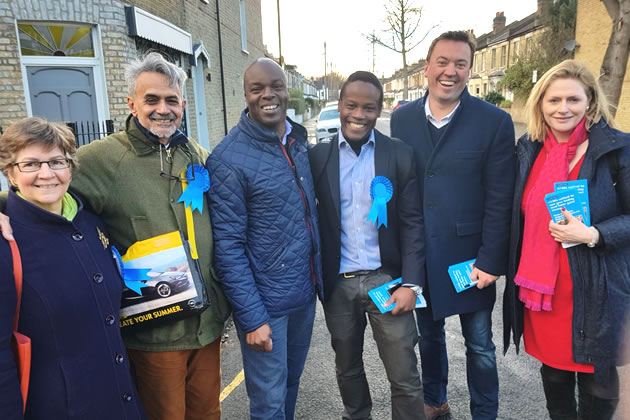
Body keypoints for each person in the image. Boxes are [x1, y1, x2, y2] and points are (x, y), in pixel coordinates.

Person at [0, 52, 231, 420]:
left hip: (207, 325)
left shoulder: (197, 155)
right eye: (151, 99)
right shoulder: (102, 158)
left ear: (183, 105)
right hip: (156, 333)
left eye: (171, 100)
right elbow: (43, 184)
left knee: (207, 413)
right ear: (132, 103)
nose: (162, 109)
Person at [390, 30, 516, 420]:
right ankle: (435, 400)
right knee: (428, 336)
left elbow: (500, 199)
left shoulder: (494, 121)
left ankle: (485, 412)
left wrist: (491, 261)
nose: (451, 71)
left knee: (479, 344)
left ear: (470, 70)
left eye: (461, 64)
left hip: (471, 260)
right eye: (442, 62)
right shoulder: (402, 119)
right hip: (423, 256)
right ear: (426, 69)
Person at [503, 59, 629, 419]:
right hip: (544, 292)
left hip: (596, 287)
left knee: (597, 378)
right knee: (555, 375)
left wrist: (594, 234)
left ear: (590, 101)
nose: (563, 108)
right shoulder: (529, 151)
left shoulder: (617, 150)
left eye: (573, 100)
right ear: (540, 104)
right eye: (554, 100)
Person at [0, 117, 145, 419]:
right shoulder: (6, 242)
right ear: (10, 174)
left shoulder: (91, 223)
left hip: (121, 400)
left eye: (57, 161)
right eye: (30, 164)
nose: (46, 174)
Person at [206, 57, 323, 420]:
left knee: (290, 384)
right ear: (246, 95)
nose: (268, 95)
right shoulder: (227, 160)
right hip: (266, 305)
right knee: (268, 400)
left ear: (288, 91)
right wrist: (253, 318)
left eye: (276, 86)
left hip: (303, 295)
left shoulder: (297, 141)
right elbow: (228, 248)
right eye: (257, 89)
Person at [309, 71, 425, 420]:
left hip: (387, 281)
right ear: (340, 105)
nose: (359, 115)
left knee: (404, 374)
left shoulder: (399, 155)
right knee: (347, 369)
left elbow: (413, 223)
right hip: (339, 284)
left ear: (379, 110)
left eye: (369, 108)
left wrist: (411, 284)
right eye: (352, 105)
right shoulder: (318, 158)